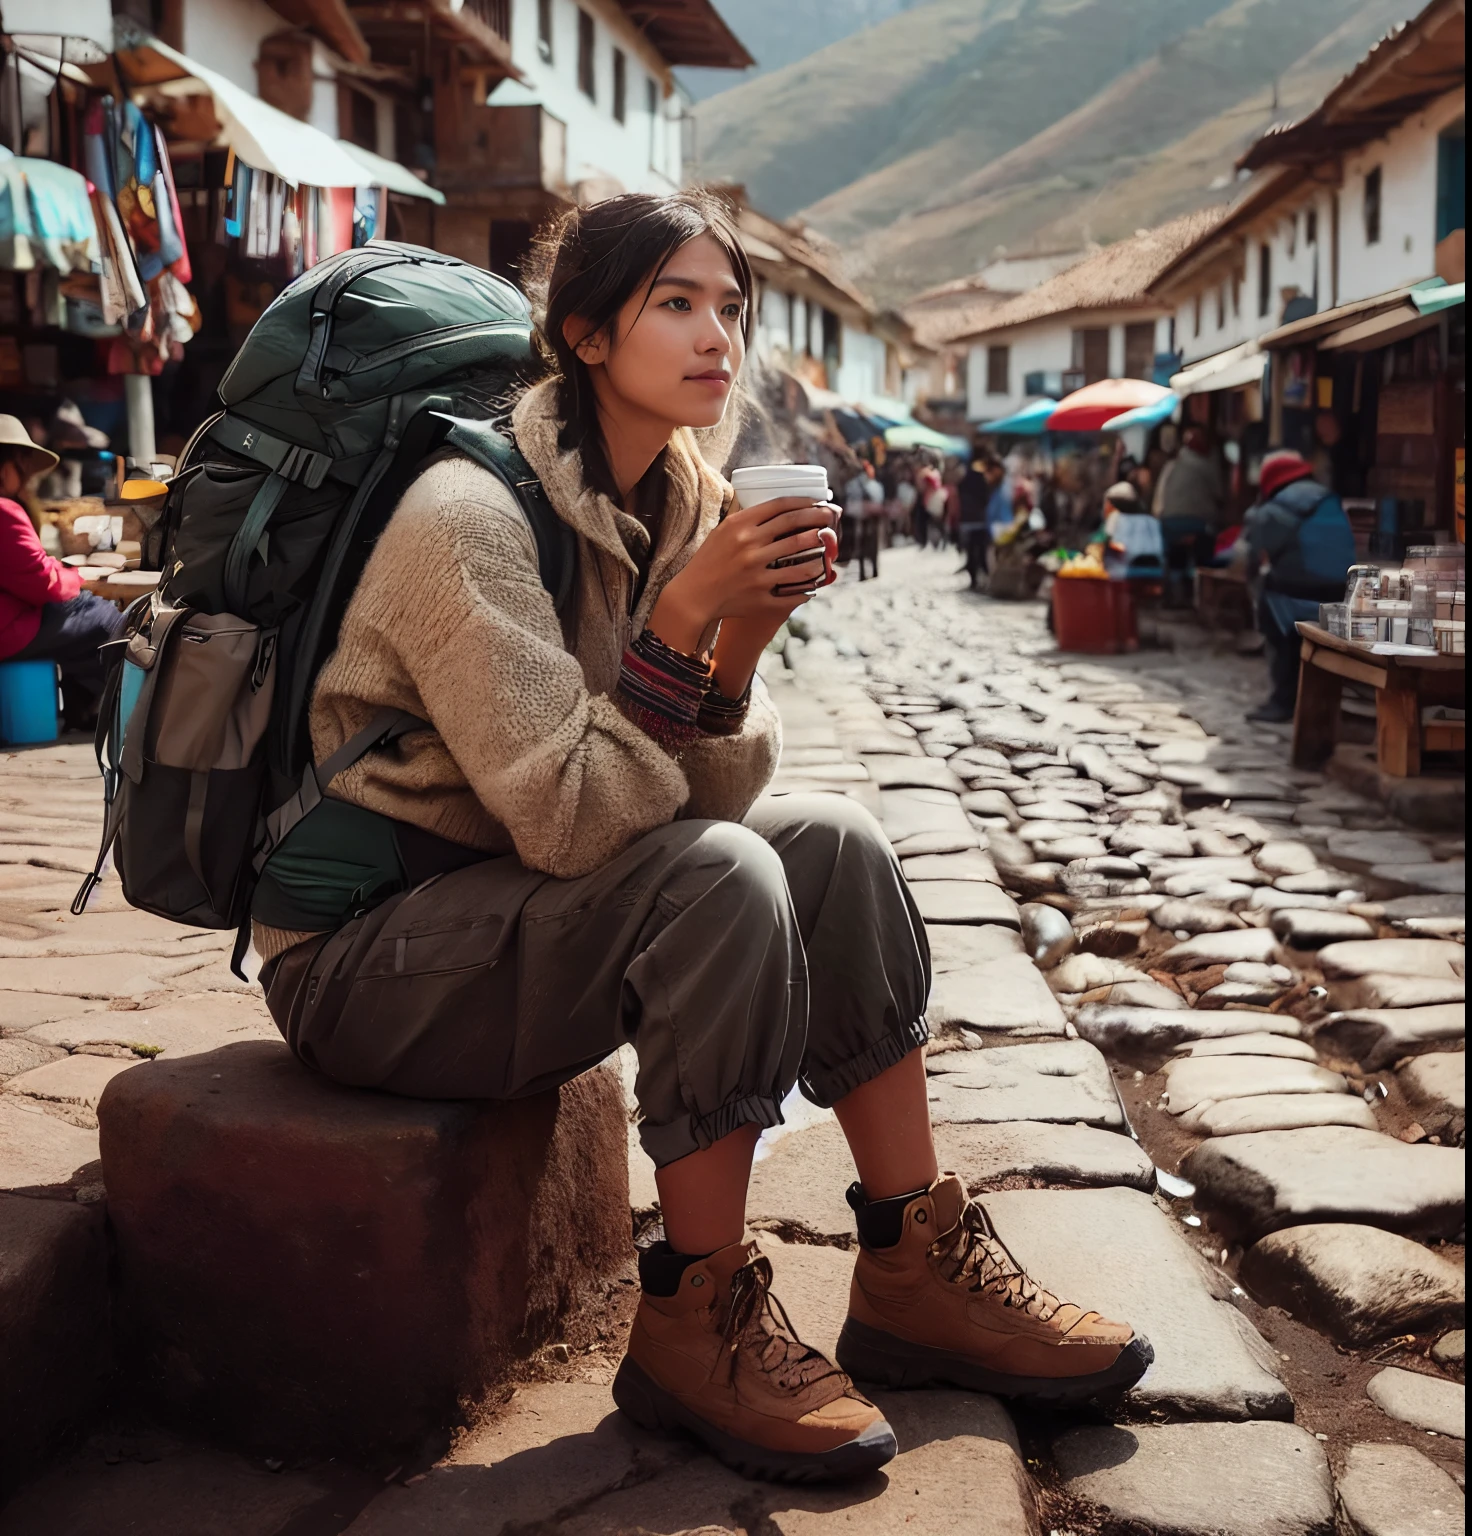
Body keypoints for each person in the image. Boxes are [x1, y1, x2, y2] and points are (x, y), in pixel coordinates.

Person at [252, 192, 1150, 1486]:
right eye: (676, 302)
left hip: (514, 905)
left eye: (731, 305)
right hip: (365, 955)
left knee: (831, 842)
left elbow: (708, 787)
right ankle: (695, 1312)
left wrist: (740, 644)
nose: (717, 333)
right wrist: (679, 631)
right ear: (586, 335)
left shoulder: (685, 497)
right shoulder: (466, 518)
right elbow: (572, 821)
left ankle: (912, 1263)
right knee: (721, 877)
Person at [0, 416, 124, 731]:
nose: (28, 475)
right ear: (6, 466)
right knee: (104, 617)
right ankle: (114, 711)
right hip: (7, 632)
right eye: (22, 463)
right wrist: (80, 576)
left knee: (80, 611)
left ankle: (84, 710)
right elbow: (42, 583)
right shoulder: (5, 512)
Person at [1238, 450, 1355, 723]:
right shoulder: (1330, 499)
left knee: (1270, 608)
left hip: (1298, 595)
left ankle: (1283, 700)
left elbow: (1252, 558)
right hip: (1341, 594)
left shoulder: (1274, 510)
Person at [956, 449, 994, 590]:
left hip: (967, 520)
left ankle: (974, 580)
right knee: (981, 550)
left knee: (971, 551)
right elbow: (986, 498)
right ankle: (983, 577)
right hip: (980, 520)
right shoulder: (983, 478)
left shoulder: (964, 479)